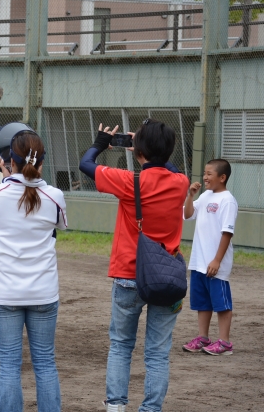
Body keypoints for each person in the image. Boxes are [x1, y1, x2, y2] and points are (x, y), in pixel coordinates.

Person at [78, 120, 189, 412]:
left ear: (138, 150)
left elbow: (85, 164)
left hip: (129, 274)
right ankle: (151, 409)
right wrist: (148, 150)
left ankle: (116, 406)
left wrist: (101, 143)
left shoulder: (129, 181)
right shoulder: (181, 182)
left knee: (121, 345)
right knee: (158, 353)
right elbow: (171, 168)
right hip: (167, 276)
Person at [0, 129, 66, 412]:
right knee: (45, 363)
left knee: (9, 365)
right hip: (43, 292)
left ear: (9, 161)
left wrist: (8, 175)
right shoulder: (55, 195)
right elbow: (59, 225)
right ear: (41, 162)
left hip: (4, 292)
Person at [182, 159, 238, 356]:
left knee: (221, 304)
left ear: (222, 177)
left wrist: (217, 260)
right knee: (202, 302)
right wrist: (190, 196)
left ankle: (225, 343)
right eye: (204, 173)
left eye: (209, 174)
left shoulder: (228, 201)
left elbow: (227, 233)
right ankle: (203, 337)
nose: (204, 177)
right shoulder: (205, 195)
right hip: (199, 261)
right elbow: (188, 214)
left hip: (215, 263)